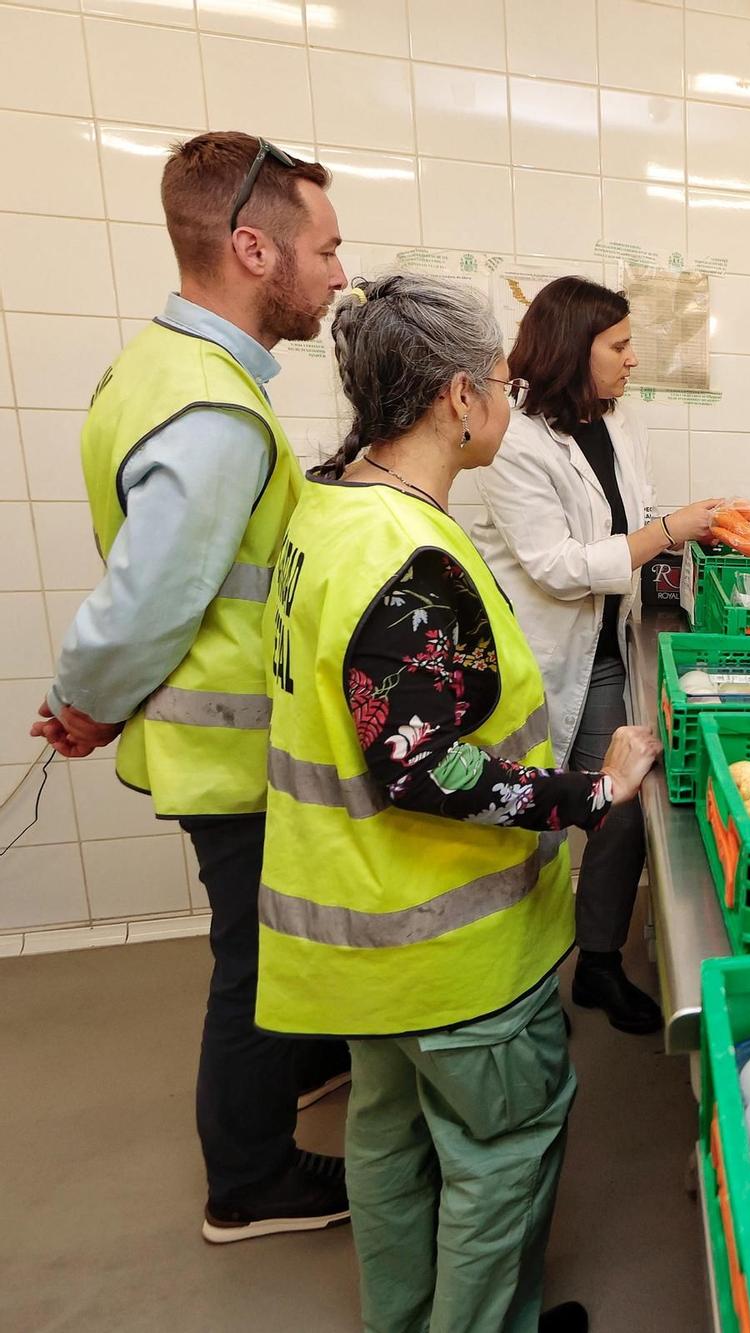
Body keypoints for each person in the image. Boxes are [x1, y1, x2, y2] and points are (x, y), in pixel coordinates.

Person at [259, 273, 662, 1333]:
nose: (504, 396)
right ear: (453, 398)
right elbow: (423, 767)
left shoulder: (329, 508)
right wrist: (592, 788)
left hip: (353, 939)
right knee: (499, 1152)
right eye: (494, 380)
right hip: (447, 946)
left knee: (390, 1147)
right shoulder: (413, 562)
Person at [29, 131, 351, 1244]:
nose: (339, 274)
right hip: (231, 746)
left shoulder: (159, 366)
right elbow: (147, 599)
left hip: (223, 739)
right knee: (252, 955)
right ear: (253, 248)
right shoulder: (213, 410)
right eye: (326, 248)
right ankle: (250, 1181)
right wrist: (86, 698)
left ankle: (301, 1070)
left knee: (265, 941)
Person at [471, 276, 719, 1035]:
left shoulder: (614, 420)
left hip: (606, 647)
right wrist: (671, 529)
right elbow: (557, 564)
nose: (633, 359)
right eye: (618, 345)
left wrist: (684, 540)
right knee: (532, 823)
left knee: (626, 809)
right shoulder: (512, 438)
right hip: (536, 659)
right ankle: (517, 989)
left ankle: (600, 963)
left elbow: (634, 515)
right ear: (573, 350)